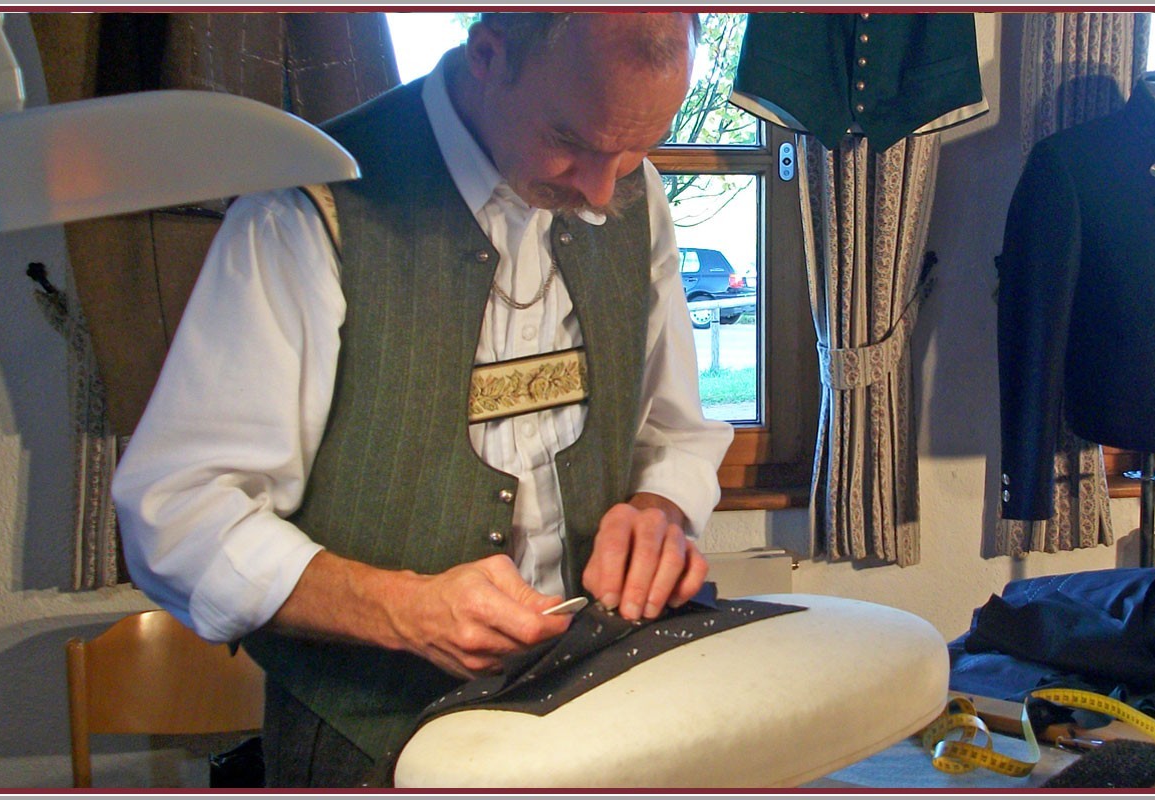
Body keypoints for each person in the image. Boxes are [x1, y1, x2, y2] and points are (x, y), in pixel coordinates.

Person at [110, 12, 733, 786]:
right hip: (370, 746)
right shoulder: (307, 210)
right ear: (488, 55)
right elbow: (178, 514)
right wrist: (399, 608)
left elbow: (672, 430)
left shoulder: (631, 193)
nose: (603, 191)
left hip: (595, 716)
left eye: (637, 148)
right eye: (569, 140)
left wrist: (658, 512)